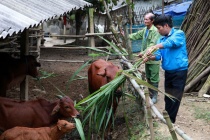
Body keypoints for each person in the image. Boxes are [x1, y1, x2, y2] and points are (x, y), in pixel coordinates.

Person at [143, 14, 188, 123]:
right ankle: (167, 117)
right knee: (168, 96)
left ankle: (170, 121)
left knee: (175, 97)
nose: (158, 31)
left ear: (166, 25)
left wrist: (155, 46)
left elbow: (171, 43)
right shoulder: (161, 39)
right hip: (168, 72)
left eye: (159, 28)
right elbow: (158, 56)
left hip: (179, 72)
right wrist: (150, 57)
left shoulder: (179, 34)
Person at [129, 13, 161, 104]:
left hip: (153, 57)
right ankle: (151, 93)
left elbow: (152, 45)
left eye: (147, 19)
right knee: (149, 77)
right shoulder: (145, 30)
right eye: (145, 19)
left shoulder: (155, 31)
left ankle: (154, 96)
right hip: (146, 57)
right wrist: (127, 36)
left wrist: (142, 53)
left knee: (154, 77)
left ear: (152, 21)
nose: (145, 21)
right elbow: (137, 35)